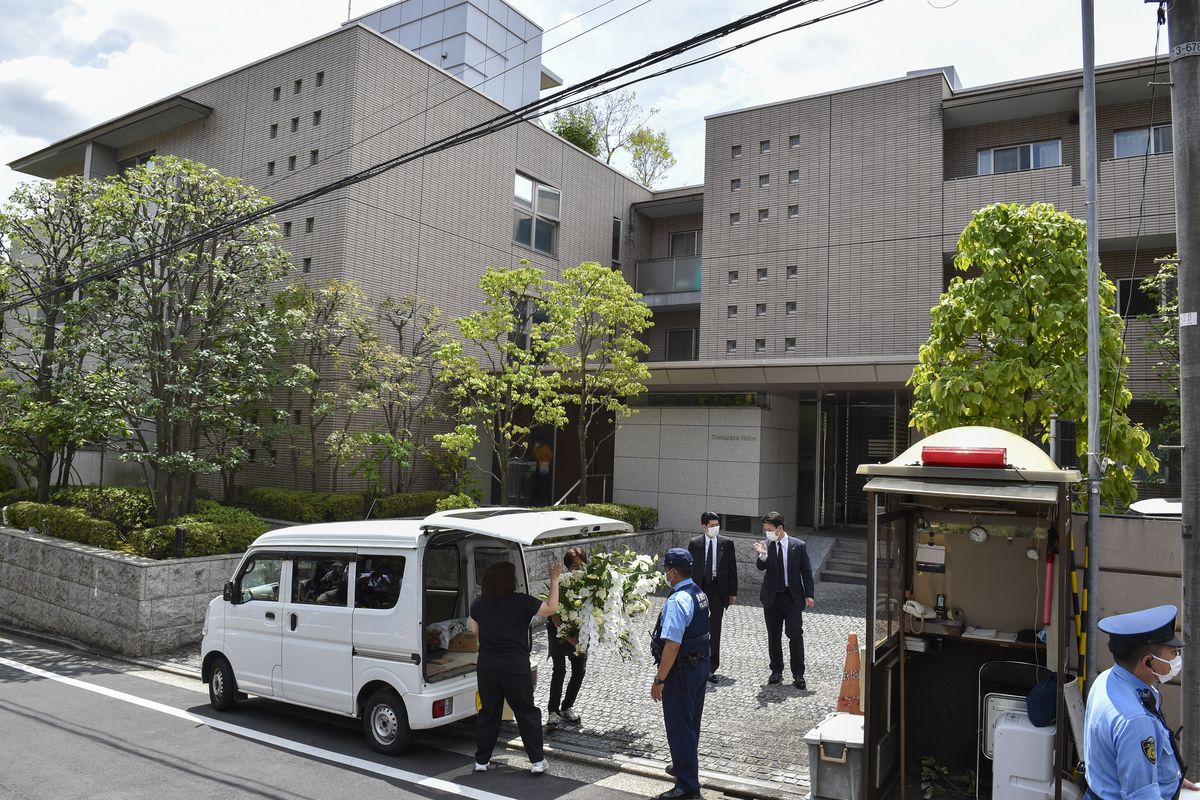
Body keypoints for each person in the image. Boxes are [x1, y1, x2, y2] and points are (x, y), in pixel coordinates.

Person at [1083, 604, 1196, 800]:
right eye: (1173, 653)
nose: (1178, 659)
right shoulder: (1135, 720)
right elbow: (1141, 796)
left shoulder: (1108, 678)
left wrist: (1170, 780)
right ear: (1147, 662)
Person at [469, 559, 561, 775]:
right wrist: (554, 579)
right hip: (515, 666)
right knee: (526, 711)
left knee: (488, 712)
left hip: (488, 666)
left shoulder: (479, 603)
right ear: (510, 581)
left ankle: (481, 761)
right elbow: (551, 608)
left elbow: (473, 631)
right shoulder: (522, 601)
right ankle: (537, 761)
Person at [650, 547, 710, 800]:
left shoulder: (677, 600)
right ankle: (682, 764)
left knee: (679, 726)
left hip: (681, 671)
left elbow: (672, 644)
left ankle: (687, 786)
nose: (665, 574)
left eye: (666, 570)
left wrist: (659, 679)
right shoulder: (698, 593)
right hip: (699, 666)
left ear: (673, 572)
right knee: (690, 722)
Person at [753, 511, 815, 689]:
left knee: (795, 635)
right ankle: (776, 670)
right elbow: (760, 566)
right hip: (772, 598)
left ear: (780, 528)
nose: (767, 533)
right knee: (774, 636)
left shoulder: (798, 546)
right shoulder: (766, 545)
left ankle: (798, 674)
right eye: (765, 529)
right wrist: (763, 555)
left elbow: (806, 572)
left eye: (770, 529)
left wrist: (809, 594)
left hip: (792, 597)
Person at [688, 511, 737, 684]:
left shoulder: (726, 543)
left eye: (717, 525)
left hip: (718, 588)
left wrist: (733, 593)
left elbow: (732, 569)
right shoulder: (695, 544)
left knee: (715, 628)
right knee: (697, 626)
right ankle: (695, 661)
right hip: (700, 588)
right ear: (703, 526)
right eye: (711, 525)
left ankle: (710, 667)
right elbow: (689, 568)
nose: (715, 528)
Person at [546, 547, 588, 727]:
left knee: (579, 670)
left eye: (581, 565)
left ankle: (567, 707)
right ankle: (552, 711)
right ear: (567, 567)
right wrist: (568, 637)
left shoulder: (590, 584)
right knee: (559, 671)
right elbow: (553, 613)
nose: (577, 569)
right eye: (574, 566)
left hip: (579, 632)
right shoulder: (561, 583)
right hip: (558, 630)